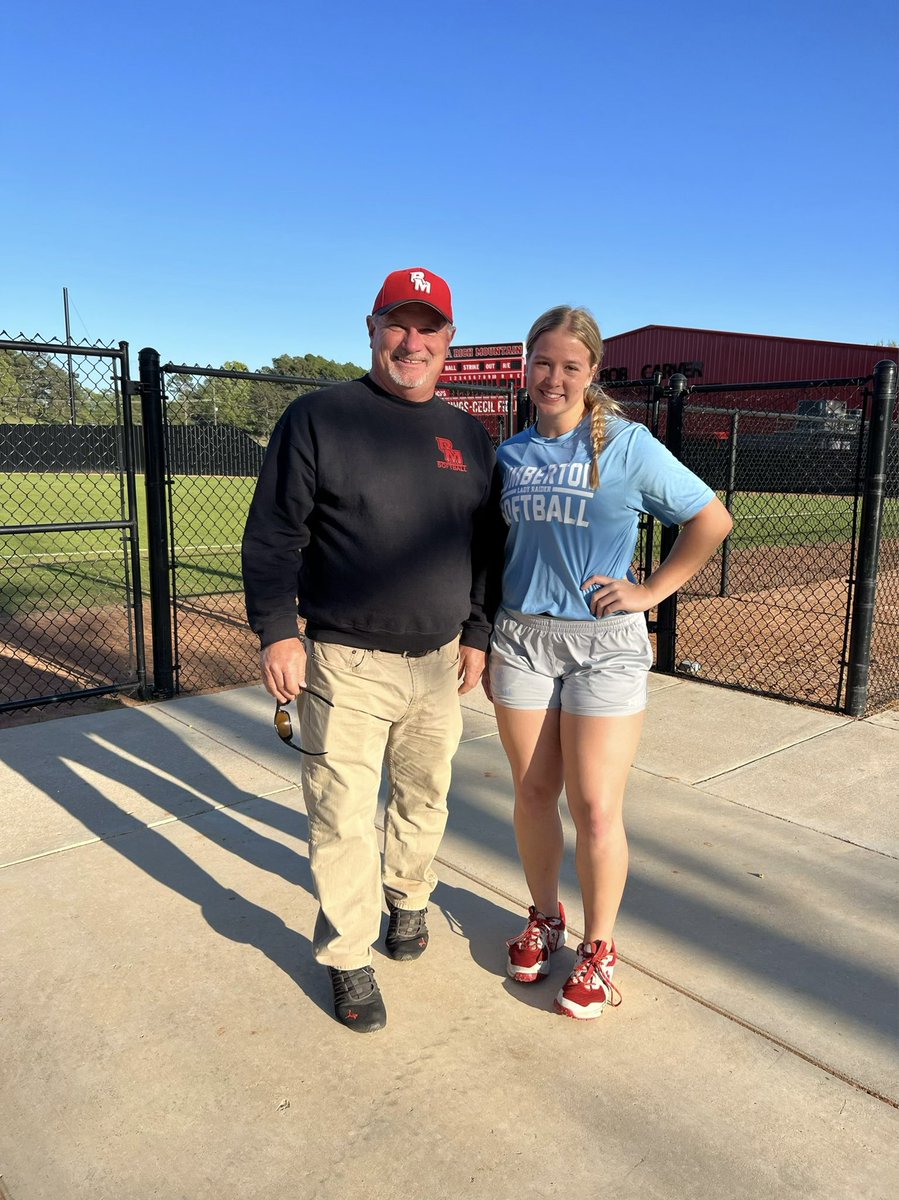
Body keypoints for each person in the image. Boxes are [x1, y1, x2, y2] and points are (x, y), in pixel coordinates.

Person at [242, 268, 501, 1033]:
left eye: (428, 328)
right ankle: (347, 956)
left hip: (440, 659)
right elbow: (274, 534)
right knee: (342, 816)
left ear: (449, 342)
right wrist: (276, 629)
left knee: (423, 799)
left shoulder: (467, 434)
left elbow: (488, 545)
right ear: (371, 328)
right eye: (398, 324)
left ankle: (408, 901)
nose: (411, 342)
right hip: (343, 660)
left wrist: (479, 634)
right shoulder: (318, 417)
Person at [487, 305, 733, 1020]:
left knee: (595, 807)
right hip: (522, 640)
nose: (553, 377)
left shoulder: (627, 445)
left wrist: (651, 589)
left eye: (570, 365)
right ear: (525, 366)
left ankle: (598, 950)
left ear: (592, 372)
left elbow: (709, 519)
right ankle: (543, 917)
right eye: (542, 362)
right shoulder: (510, 455)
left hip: (602, 648)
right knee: (533, 795)